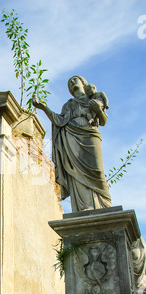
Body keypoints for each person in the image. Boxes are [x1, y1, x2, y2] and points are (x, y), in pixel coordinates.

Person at [32, 75, 112, 212]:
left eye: (75, 79)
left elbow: (103, 120)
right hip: (71, 138)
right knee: (77, 174)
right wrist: (43, 108)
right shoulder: (68, 105)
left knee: (97, 171)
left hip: (90, 136)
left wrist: (98, 110)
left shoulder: (93, 98)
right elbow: (58, 120)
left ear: (83, 83)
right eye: (69, 82)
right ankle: (84, 207)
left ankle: (104, 204)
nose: (72, 82)